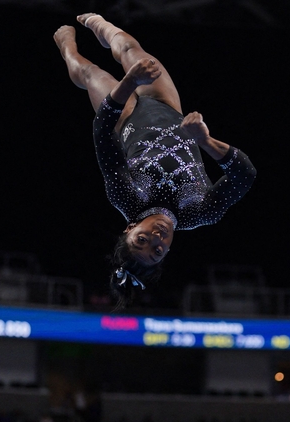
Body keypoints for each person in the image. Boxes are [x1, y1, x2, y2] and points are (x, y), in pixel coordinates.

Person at [54, 14, 257, 309]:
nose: (156, 239)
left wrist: (129, 82)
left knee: (90, 73)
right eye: (158, 250)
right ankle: (107, 38)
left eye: (141, 240)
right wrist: (205, 142)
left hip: (126, 120)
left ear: (129, 230)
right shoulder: (200, 213)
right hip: (167, 108)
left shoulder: (126, 198)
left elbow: (101, 130)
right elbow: (244, 176)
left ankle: (71, 44)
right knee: (133, 52)